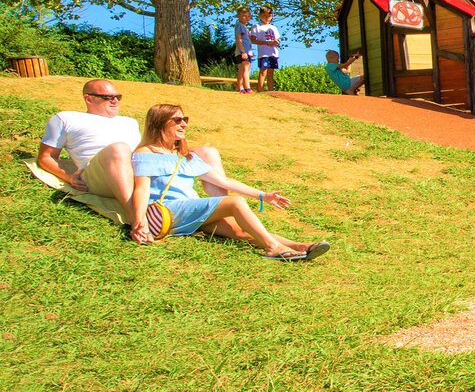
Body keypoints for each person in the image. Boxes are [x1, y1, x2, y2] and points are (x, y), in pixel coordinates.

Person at [129, 103, 329, 261]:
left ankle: (300, 246)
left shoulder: (183, 156)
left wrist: (262, 195)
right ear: (160, 122)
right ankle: (273, 247)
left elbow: (222, 180)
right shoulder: (146, 153)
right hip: (168, 211)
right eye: (178, 120)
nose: (185, 124)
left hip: (189, 211)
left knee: (239, 230)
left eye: (185, 119)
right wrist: (139, 221)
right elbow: (141, 189)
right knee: (234, 203)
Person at [35, 79, 141, 207]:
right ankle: (136, 218)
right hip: (98, 176)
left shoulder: (130, 122)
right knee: (119, 149)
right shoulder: (66, 118)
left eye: (118, 97)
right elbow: (46, 157)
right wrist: (68, 177)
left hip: (137, 174)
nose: (115, 101)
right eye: (108, 97)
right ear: (88, 99)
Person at [250, 6, 281, 92]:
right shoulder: (256, 26)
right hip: (264, 53)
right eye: (265, 15)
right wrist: (267, 42)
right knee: (263, 72)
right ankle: (260, 90)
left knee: (271, 73)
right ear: (260, 15)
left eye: (269, 16)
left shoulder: (273, 28)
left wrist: (276, 42)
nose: (267, 18)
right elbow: (253, 40)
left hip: (273, 53)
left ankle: (271, 91)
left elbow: (277, 40)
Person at [233, 6, 255, 94]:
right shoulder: (240, 26)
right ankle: (247, 88)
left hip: (246, 51)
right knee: (245, 69)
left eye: (248, 16)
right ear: (238, 16)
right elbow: (239, 39)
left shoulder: (244, 27)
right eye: (244, 16)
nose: (247, 18)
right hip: (243, 52)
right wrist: (243, 52)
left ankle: (241, 88)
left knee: (243, 69)